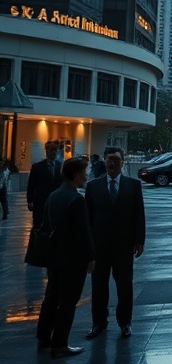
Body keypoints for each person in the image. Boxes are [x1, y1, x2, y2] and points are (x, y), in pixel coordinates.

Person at [84, 148, 146, 340]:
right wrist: (88, 247)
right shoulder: (93, 186)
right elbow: (88, 218)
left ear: (122, 162)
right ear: (104, 160)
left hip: (123, 245)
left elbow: (139, 215)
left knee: (125, 286)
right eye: (109, 159)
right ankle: (99, 322)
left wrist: (139, 241)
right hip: (99, 246)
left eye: (116, 160)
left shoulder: (133, 185)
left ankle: (125, 323)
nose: (112, 163)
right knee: (99, 286)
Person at [36, 157, 94, 358]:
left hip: (53, 257)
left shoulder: (54, 195)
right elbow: (83, 232)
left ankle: (44, 337)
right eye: (84, 173)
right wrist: (90, 257)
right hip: (72, 259)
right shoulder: (76, 199)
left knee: (51, 297)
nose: (86, 176)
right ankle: (60, 343)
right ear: (76, 175)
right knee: (68, 302)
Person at [27, 141, 64, 227]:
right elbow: (31, 185)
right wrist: (30, 200)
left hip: (56, 202)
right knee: (39, 225)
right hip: (41, 201)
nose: (53, 152)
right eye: (51, 150)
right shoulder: (37, 167)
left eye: (55, 150)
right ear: (46, 151)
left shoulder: (61, 166)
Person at [0, 155, 17, 220]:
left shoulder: (5, 170)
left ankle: (5, 213)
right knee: (4, 201)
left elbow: (4, 178)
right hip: (3, 187)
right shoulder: (5, 170)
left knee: (3, 201)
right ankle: (5, 212)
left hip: (2, 187)